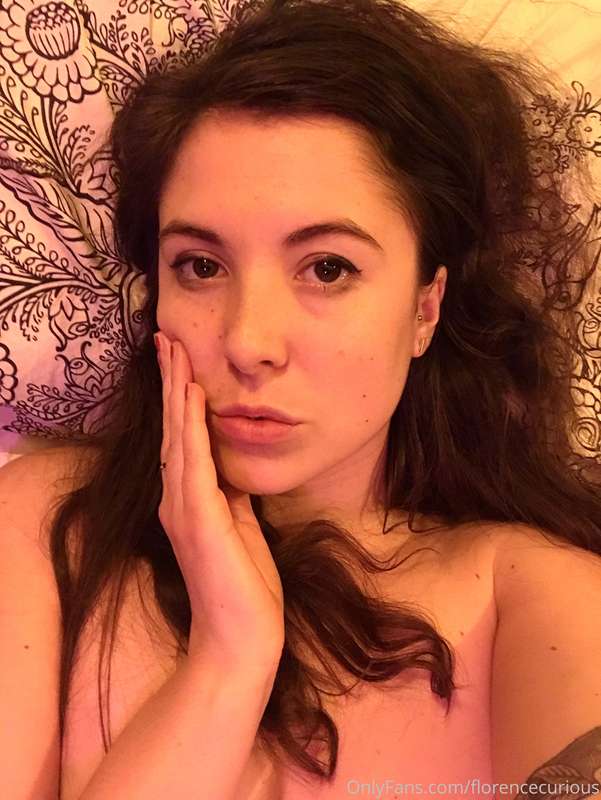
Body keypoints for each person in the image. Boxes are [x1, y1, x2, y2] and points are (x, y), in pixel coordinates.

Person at [2, 0, 601, 797]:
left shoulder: (529, 596)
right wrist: (228, 659)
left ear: (425, 309)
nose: (249, 341)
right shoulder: (48, 522)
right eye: (200, 267)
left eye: (327, 269)